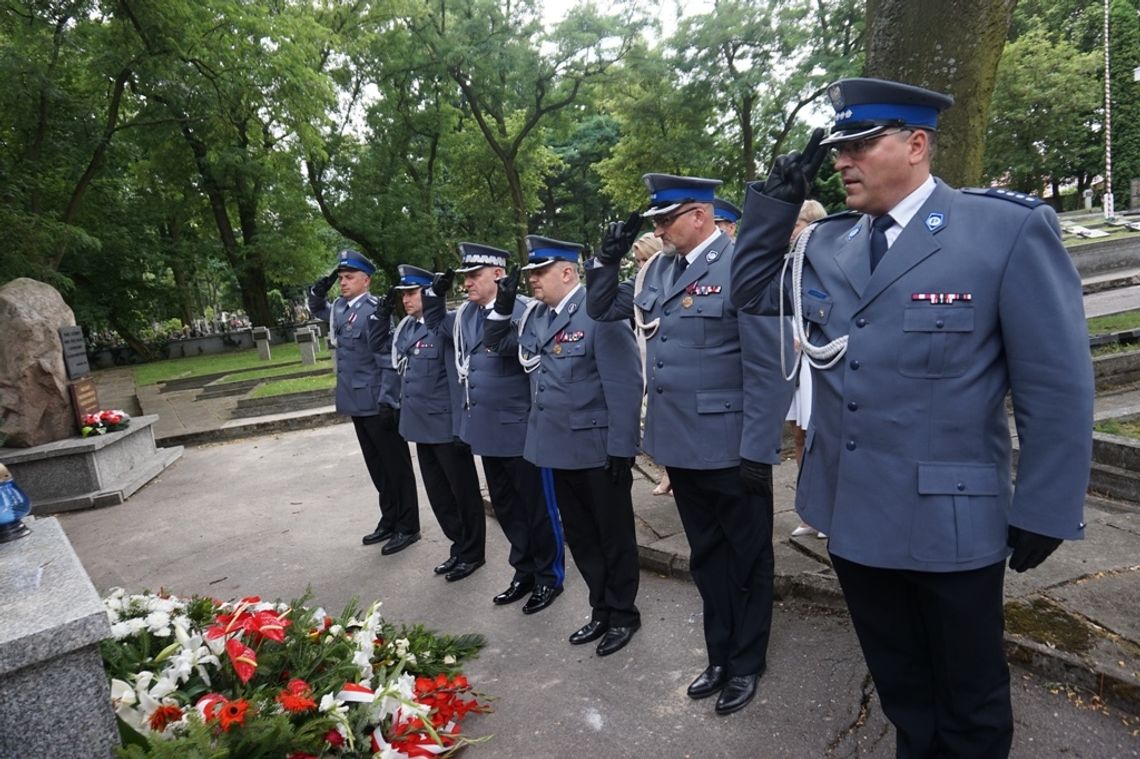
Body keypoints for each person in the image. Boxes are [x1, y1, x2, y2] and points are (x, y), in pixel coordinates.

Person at [732, 78, 1093, 758]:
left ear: (917, 144)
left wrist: (1047, 504)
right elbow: (748, 291)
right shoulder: (830, 243)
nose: (843, 160)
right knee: (904, 692)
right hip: (855, 516)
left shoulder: (1002, 230)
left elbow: (1057, 382)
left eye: (861, 144)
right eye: (838, 148)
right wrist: (776, 202)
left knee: (972, 702)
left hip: (951, 523)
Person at [586, 174, 791, 716]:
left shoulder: (741, 262)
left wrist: (759, 449)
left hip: (731, 446)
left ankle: (747, 662)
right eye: (654, 221)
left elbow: (767, 367)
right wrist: (604, 264)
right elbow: (603, 309)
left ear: (700, 214)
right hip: (679, 444)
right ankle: (720, 654)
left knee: (748, 559)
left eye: (665, 219)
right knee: (707, 559)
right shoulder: (661, 270)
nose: (656, 229)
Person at [485, 236, 644, 656]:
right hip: (555, 446)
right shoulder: (536, 316)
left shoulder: (599, 309)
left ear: (568, 272)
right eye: (531, 273)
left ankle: (623, 614)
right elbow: (497, 344)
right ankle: (600, 609)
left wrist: (622, 447)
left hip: (596, 447)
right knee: (582, 536)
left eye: (540, 272)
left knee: (613, 536)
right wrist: (503, 305)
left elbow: (626, 382)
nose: (532, 280)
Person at [422, 242, 564, 614]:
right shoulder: (466, 314)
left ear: (498, 275)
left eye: (474, 275)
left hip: (520, 428)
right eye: (465, 276)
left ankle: (549, 576)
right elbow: (436, 327)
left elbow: (525, 358)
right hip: (485, 429)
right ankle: (524, 570)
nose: (466, 283)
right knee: (507, 507)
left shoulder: (524, 311)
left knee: (537, 508)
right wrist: (433, 297)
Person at [307, 250, 420, 554]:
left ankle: (409, 526)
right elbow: (318, 308)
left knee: (396, 467)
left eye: (349, 277)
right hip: (355, 401)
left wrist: (388, 400)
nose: (342, 283)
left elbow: (389, 359)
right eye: (340, 278)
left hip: (377, 401)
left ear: (366, 280)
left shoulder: (375, 311)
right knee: (377, 467)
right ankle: (390, 518)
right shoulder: (341, 309)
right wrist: (319, 288)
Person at [387, 264, 486, 580]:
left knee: (463, 493)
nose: (406, 300)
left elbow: (457, 380)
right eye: (404, 294)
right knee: (439, 496)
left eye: (413, 293)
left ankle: (473, 552)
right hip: (420, 427)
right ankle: (458, 547)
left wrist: (462, 427)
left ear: (429, 293)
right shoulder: (409, 328)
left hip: (445, 427)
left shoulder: (446, 325)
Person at [783, 199, 828, 540]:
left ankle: (830, 510)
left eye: (794, 224)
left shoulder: (830, 262)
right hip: (795, 362)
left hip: (821, 360)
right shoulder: (789, 266)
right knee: (799, 436)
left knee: (822, 436)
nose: (789, 232)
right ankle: (808, 509)